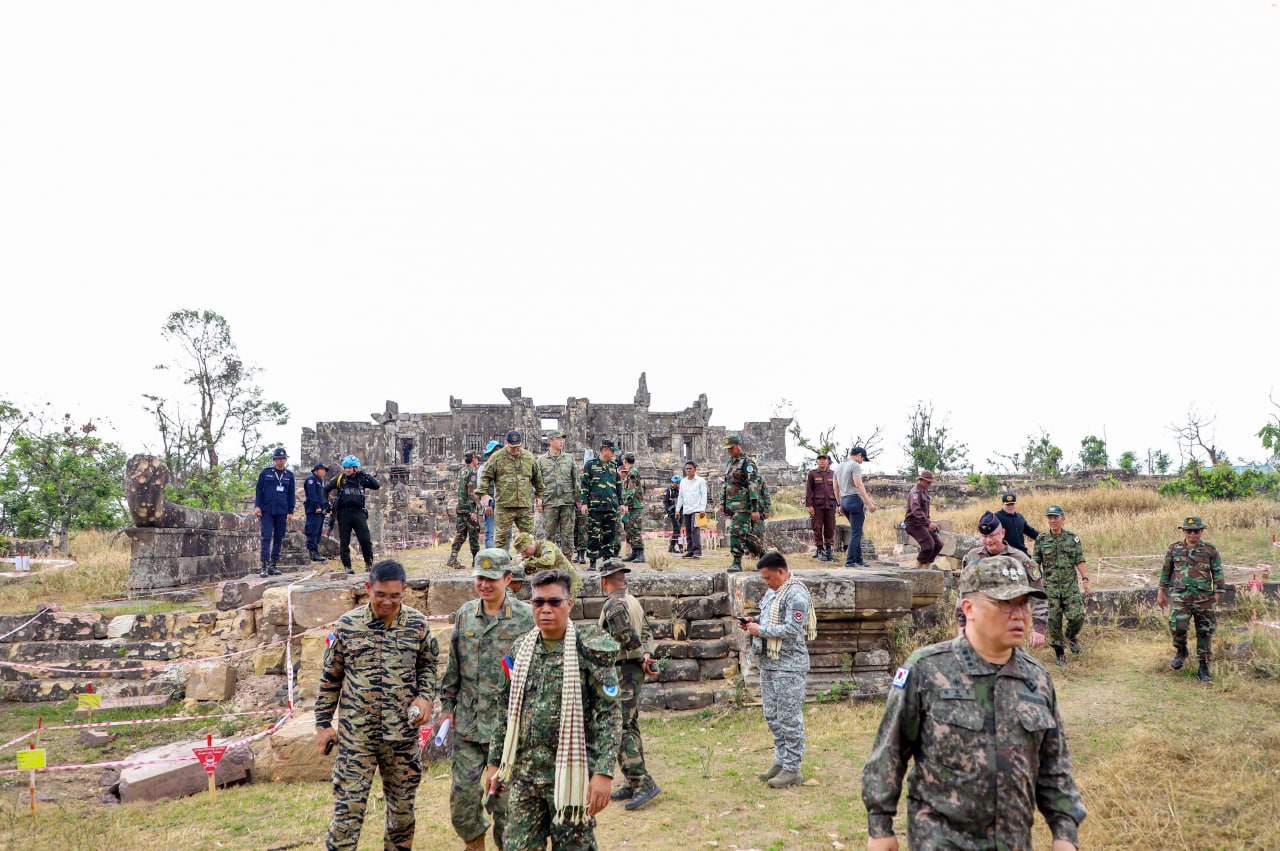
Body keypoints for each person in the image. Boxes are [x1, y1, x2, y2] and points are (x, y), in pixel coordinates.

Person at [861, 555, 1086, 851]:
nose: (1019, 614)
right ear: (969, 609)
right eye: (1005, 603)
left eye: (1023, 603)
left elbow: (1054, 766)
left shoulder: (1037, 680)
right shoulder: (927, 670)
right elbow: (889, 751)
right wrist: (880, 827)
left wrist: (1064, 833)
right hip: (942, 841)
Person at [486, 568, 623, 850]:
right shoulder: (519, 651)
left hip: (572, 775)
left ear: (569, 604)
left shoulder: (589, 649)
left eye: (554, 602)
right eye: (538, 602)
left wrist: (604, 772)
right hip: (525, 776)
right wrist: (494, 762)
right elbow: (505, 707)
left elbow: (609, 714)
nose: (545, 609)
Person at [315, 559, 439, 851]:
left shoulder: (417, 624)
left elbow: (428, 664)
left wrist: (425, 697)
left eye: (395, 596)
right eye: (380, 594)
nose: (387, 602)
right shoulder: (347, 626)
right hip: (357, 738)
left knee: (402, 813)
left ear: (405, 590)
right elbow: (330, 678)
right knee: (348, 812)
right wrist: (322, 724)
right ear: (368, 588)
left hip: (401, 737)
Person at [438, 548, 535, 851]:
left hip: (506, 730)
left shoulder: (524, 618)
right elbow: (453, 666)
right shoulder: (466, 613)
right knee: (462, 803)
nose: (485, 584)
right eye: (480, 578)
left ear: (508, 579)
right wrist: (447, 708)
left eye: (492, 578)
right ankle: (474, 844)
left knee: (506, 806)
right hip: (469, 726)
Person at [739, 552, 814, 788]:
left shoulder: (796, 593)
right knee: (772, 714)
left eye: (768, 578)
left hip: (789, 665)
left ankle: (793, 768)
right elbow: (770, 617)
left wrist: (760, 630)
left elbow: (792, 628)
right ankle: (781, 761)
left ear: (781, 572)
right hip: (770, 662)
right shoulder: (774, 592)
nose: (766, 583)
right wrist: (753, 621)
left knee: (789, 717)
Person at [598, 560, 661, 810]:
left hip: (622, 670)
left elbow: (627, 638)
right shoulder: (631, 600)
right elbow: (645, 632)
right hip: (632, 668)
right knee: (629, 725)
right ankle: (632, 781)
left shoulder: (614, 605)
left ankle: (642, 782)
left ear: (604, 580)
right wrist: (646, 655)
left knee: (620, 727)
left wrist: (638, 655)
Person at [959, 512, 1048, 649]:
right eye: (984, 536)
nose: (989, 541)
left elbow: (1039, 593)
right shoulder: (972, 557)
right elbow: (965, 594)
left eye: (993, 535)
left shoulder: (1020, 559)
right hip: (979, 628)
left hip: (1008, 626)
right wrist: (962, 625)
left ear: (1003, 533)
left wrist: (1038, 628)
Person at [1158, 515, 1223, 683]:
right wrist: (1161, 592)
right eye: (1189, 530)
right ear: (1184, 531)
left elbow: (1217, 572)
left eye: (1196, 531)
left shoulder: (1210, 550)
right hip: (1181, 597)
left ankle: (1203, 666)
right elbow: (1166, 572)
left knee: (1205, 632)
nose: (1192, 534)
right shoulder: (1174, 549)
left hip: (1204, 598)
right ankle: (1181, 651)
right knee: (1177, 626)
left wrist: (1217, 592)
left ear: (1201, 531)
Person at [1034, 505, 1090, 666]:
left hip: (1069, 587)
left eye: (1055, 517)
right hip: (1050, 587)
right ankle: (1059, 652)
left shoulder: (1072, 538)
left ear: (1062, 518)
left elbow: (1079, 559)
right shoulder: (1042, 539)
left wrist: (1085, 580)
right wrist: (1035, 582)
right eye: (1050, 517)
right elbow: (1036, 562)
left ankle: (1071, 636)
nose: (1052, 520)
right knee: (1054, 620)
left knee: (1077, 616)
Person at [477, 430, 544, 550]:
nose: (516, 450)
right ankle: (501, 566)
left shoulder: (528, 457)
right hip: (504, 506)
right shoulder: (496, 458)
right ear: (506, 443)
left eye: (518, 447)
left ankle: (530, 566)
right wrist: (484, 495)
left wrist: (539, 495)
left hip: (524, 506)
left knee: (529, 539)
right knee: (501, 540)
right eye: (512, 447)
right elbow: (485, 477)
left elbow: (538, 479)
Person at [324, 455, 381, 575]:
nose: (347, 470)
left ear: (355, 468)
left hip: (358, 513)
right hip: (344, 513)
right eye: (346, 468)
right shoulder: (340, 479)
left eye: (350, 468)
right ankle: (347, 566)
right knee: (344, 541)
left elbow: (376, 486)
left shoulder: (361, 479)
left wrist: (366, 475)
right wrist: (326, 504)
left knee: (365, 539)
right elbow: (325, 489)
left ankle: (369, 564)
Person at [722, 434, 766, 573]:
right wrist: (723, 502)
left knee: (736, 531)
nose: (730, 451)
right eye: (728, 449)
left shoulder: (748, 464)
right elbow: (726, 484)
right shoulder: (730, 463)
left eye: (732, 448)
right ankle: (764, 556)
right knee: (744, 535)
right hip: (732, 505)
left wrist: (754, 509)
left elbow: (753, 487)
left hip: (744, 505)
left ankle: (736, 561)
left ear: (739, 445)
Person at [579, 438, 623, 570]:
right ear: (605, 450)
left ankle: (607, 561)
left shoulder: (614, 466)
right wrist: (584, 503)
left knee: (610, 535)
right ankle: (592, 562)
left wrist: (621, 504)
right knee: (594, 534)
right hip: (595, 506)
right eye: (612, 451)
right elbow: (585, 485)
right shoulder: (590, 465)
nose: (613, 454)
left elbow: (618, 487)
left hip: (611, 506)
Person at [537, 430, 580, 558]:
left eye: (562, 439)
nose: (561, 441)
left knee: (567, 533)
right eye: (558, 439)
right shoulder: (541, 460)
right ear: (550, 441)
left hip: (567, 501)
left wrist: (578, 499)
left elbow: (576, 479)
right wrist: (538, 500)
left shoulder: (569, 459)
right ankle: (549, 559)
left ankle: (567, 560)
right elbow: (537, 482)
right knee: (548, 534)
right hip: (549, 502)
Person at [254, 447, 295, 577]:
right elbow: (259, 490)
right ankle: (264, 565)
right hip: (267, 510)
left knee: (279, 537)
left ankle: (273, 565)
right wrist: (257, 506)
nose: (281, 461)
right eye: (278, 459)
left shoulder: (289, 475)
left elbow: (291, 495)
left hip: (282, 510)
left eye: (283, 459)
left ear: (286, 460)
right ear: (274, 460)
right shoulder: (266, 473)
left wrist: (291, 511)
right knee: (266, 536)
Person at [834, 446, 878, 567]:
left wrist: (839, 504)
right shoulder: (855, 466)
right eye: (862, 458)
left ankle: (859, 560)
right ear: (859, 455)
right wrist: (869, 503)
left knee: (856, 530)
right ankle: (850, 561)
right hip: (854, 500)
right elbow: (858, 484)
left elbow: (835, 488)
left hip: (844, 500)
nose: (862, 461)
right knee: (856, 532)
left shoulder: (838, 467)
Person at [512, 532, 582, 599]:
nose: (523, 554)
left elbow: (548, 562)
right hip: (555, 584)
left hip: (568, 584)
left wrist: (526, 563)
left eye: (524, 550)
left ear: (531, 543)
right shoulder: (535, 552)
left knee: (562, 609)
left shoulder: (546, 546)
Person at [448, 452, 482, 569]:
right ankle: (476, 561)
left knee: (460, 534)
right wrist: (473, 510)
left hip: (460, 507)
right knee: (473, 534)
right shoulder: (472, 472)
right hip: (468, 508)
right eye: (477, 458)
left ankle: (452, 558)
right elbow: (471, 492)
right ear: (473, 459)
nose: (478, 460)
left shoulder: (461, 471)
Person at [903, 470, 941, 568]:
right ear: (921, 480)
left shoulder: (924, 490)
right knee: (928, 545)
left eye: (930, 482)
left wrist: (929, 523)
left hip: (922, 523)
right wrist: (928, 523)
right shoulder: (915, 492)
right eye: (928, 481)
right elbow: (916, 511)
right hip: (913, 524)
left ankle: (926, 567)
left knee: (938, 545)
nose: (929, 484)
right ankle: (918, 569)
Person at [805, 454, 838, 562]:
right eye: (820, 460)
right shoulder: (812, 474)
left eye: (824, 460)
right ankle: (820, 550)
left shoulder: (833, 474)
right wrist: (809, 505)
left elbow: (837, 489)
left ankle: (828, 550)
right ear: (817, 462)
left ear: (828, 462)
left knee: (830, 528)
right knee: (817, 528)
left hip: (830, 505)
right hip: (817, 506)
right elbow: (809, 491)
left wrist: (839, 504)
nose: (822, 461)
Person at [675, 461, 707, 560]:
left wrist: (702, 509)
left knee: (695, 530)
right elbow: (680, 496)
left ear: (695, 469)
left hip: (697, 509)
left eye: (690, 468)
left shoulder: (700, 481)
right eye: (687, 469)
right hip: (687, 509)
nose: (688, 470)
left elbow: (704, 495)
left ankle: (697, 551)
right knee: (688, 531)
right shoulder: (683, 481)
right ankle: (690, 550)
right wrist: (677, 510)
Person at [619, 454, 646, 563]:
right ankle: (634, 552)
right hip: (631, 506)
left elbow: (631, 490)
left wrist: (625, 504)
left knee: (635, 529)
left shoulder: (632, 473)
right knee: (629, 528)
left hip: (634, 506)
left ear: (625, 461)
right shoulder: (630, 472)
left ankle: (640, 553)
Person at [303, 462, 330, 563]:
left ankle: (316, 551)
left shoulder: (319, 481)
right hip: (314, 510)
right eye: (321, 470)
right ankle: (312, 552)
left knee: (318, 531)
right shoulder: (311, 480)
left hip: (320, 511)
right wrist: (317, 506)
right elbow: (312, 494)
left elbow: (321, 495)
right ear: (315, 470)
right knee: (312, 531)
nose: (323, 472)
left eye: (324, 470)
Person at [478, 440, 501, 548]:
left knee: (505, 533)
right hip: (490, 502)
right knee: (490, 533)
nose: (497, 452)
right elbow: (481, 488)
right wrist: (487, 505)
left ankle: (503, 557)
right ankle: (490, 557)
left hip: (504, 502)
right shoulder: (483, 468)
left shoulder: (504, 467)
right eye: (494, 450)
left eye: (498, 450)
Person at [662, 474, 683, 554]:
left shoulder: (680, 490)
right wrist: (669, 512)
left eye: (678, 482)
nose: (677, 484)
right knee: (677, 529)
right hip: (673, 512)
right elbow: (665, 502)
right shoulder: (668, 490)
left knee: (677, 530)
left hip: (680, 512)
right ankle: (680, 546)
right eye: (676, 482)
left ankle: (671, 547)